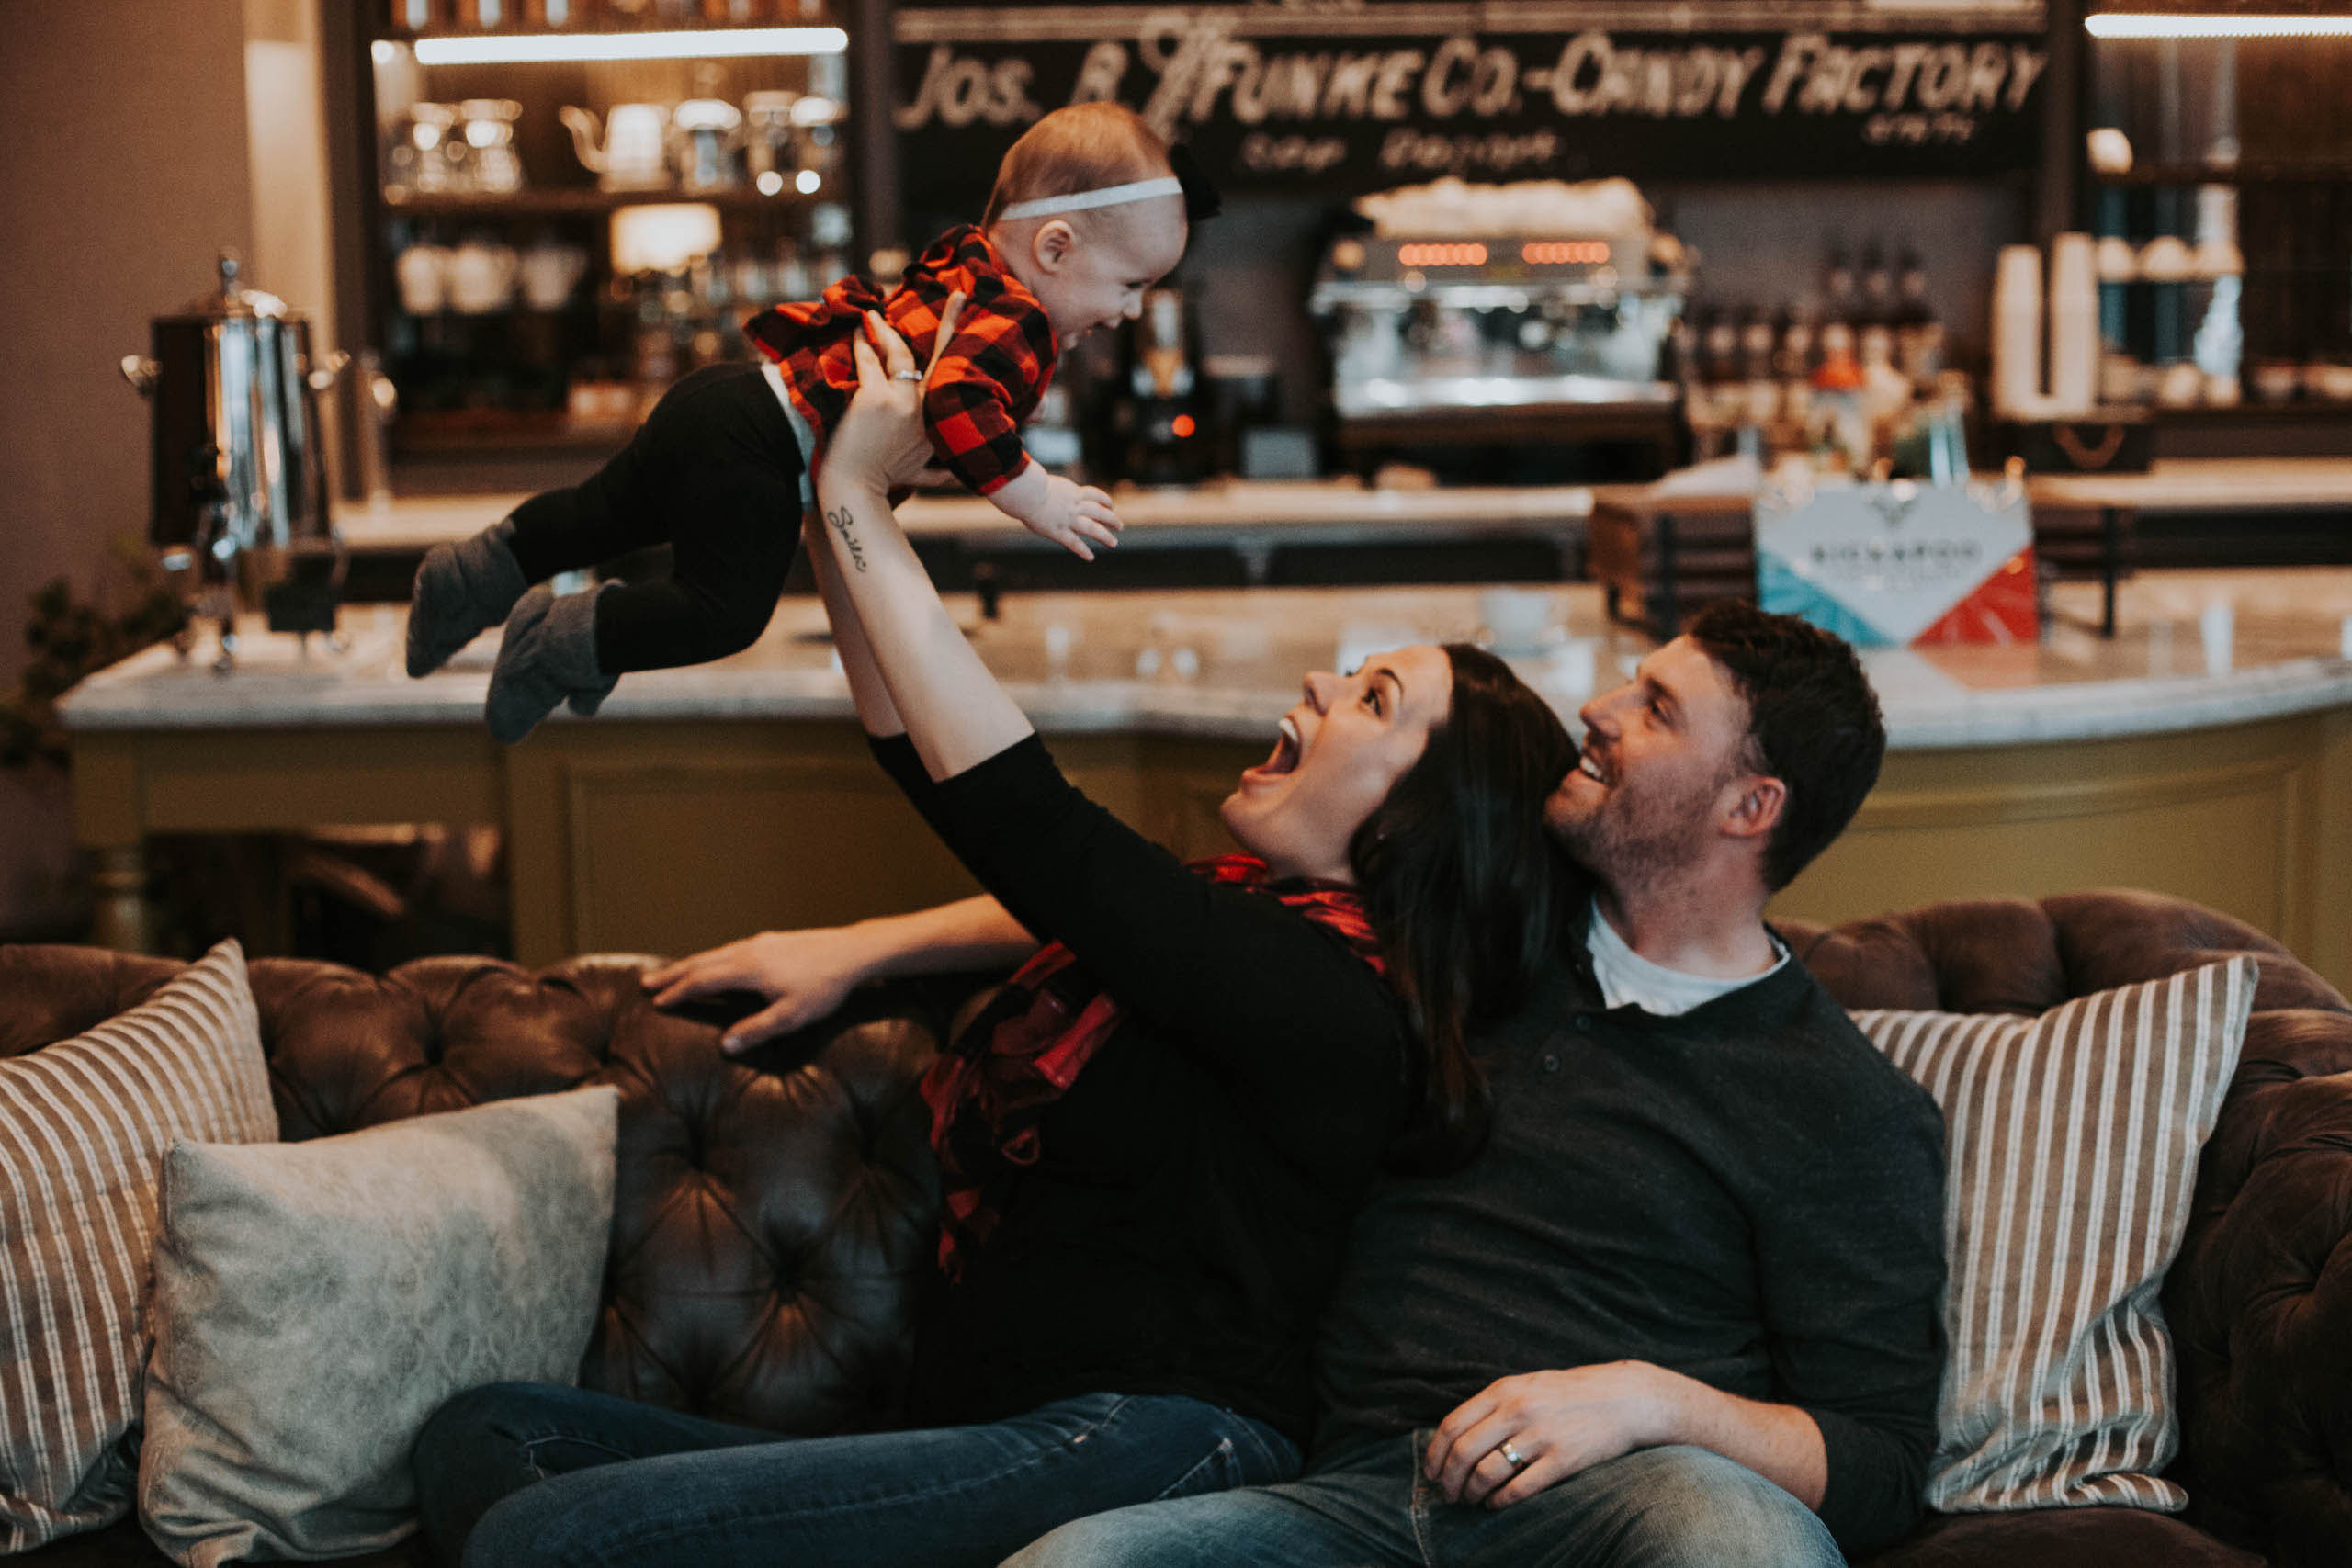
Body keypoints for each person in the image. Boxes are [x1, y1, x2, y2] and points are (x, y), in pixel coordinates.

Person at [408, 303, 1582, 1568]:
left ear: (1428, 820)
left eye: (1373, 699)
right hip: (997, 1430)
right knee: (489, 1440)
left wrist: (858, 496)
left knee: (549, 1533)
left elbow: (1027, 820)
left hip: (1157, 1437)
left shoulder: (1338, 1001)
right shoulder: (1236, 921)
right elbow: (934, 768)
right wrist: (826, 499)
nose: (1319, 687)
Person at [1006, 602, 1949, 1568]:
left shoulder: (1842, 1103)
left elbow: (1879, 1461)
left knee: (1741, 1544)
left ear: (1749, 806)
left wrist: (1648, 1402)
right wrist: (871, 947)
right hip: (1349, 1502)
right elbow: (1171, 913)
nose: (1597, 709)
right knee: (1073, 1563)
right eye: (1630, 680)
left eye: (1657, 709)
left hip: (1627, 1503)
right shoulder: (1478, 931)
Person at [403, 101, 1207, 743]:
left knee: (601, 513)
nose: (1131, 311)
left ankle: (474, 573)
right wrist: (1038, 496)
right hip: (761, 452)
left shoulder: (963, 259)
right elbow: (957, 401)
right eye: (1131, 284)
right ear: (1056, 248)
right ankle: (562, 641)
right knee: (721, 613)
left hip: (722, 400)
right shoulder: (1014, 317)